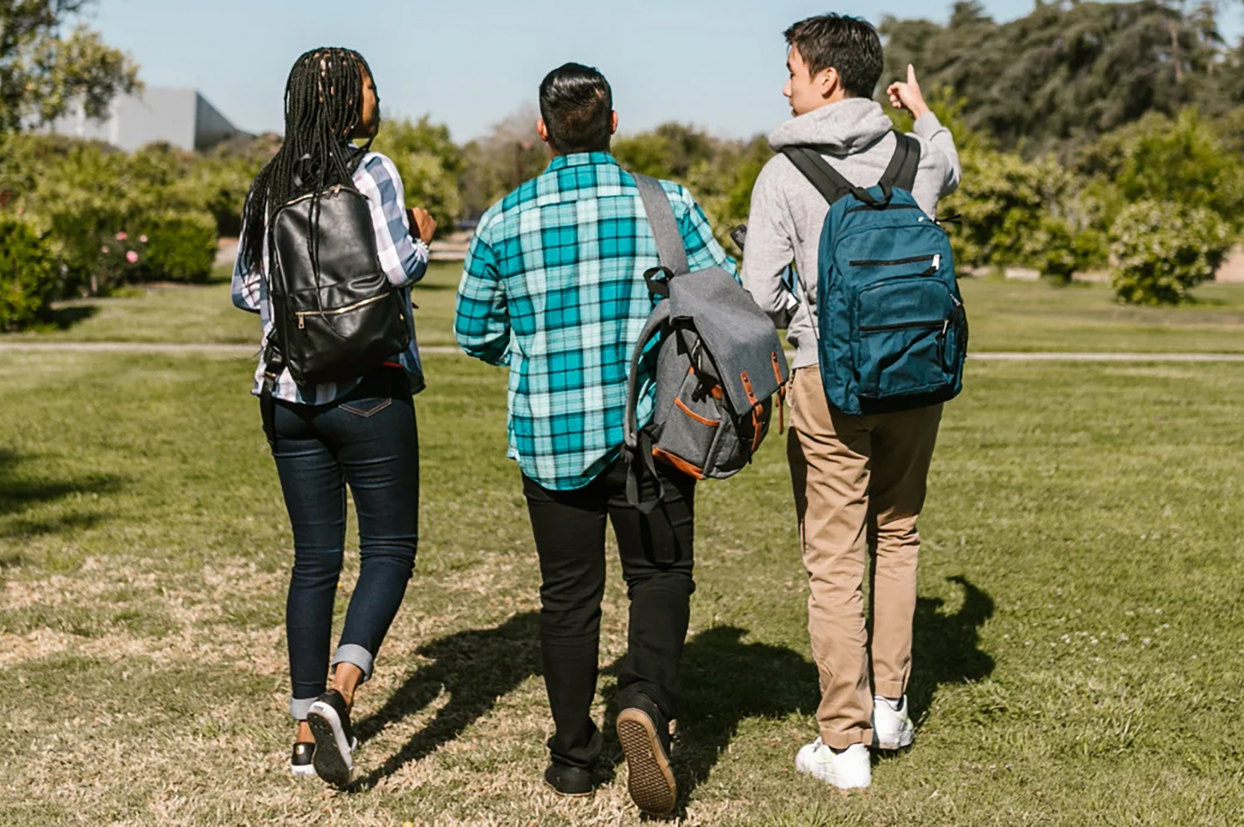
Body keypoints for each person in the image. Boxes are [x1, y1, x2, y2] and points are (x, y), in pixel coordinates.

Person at [454, 63, 734, 817]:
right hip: (654, 432)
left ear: (542, 130)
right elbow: (723, 296)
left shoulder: (504, 218)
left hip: (552, 436)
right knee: (661, 576)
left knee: (568, 598)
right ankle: (643, 699)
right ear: (613, 122)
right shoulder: (666, 204)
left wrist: (534, 354)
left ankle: (575, 758)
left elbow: (473, 331)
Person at [737, 14, 962, 790]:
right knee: (898, 534)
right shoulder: (913, 154)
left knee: (833, 558)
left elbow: (760, 295)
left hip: (826, 382)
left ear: (826, 78)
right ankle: (891, 705)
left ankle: (844, 740)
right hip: (916, 376)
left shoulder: (783, 174)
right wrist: (922, 110)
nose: (786, 83)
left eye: (793, 69)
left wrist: (809, 310)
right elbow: (949, 165)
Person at [230, 46, 439, 788]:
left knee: (314, 559)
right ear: (350, 103)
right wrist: (421, 231)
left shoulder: (266, 185)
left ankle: (298, 734)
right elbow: (393, 268)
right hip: (367, 387)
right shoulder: (371, 172)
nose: (378, 98)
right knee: (390, 547)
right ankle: (339, 698)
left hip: (286, 394)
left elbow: (248, 290)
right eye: (371, 87)